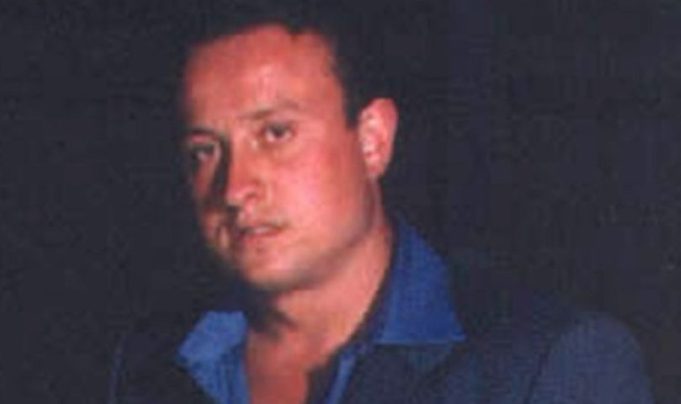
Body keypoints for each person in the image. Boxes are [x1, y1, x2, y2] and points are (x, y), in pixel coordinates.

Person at [108, 3, 653, 403]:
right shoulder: (153, 363)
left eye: (275, 134)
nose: (234, 188)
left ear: (373, 140)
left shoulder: (549, 365)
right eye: (204, 151)